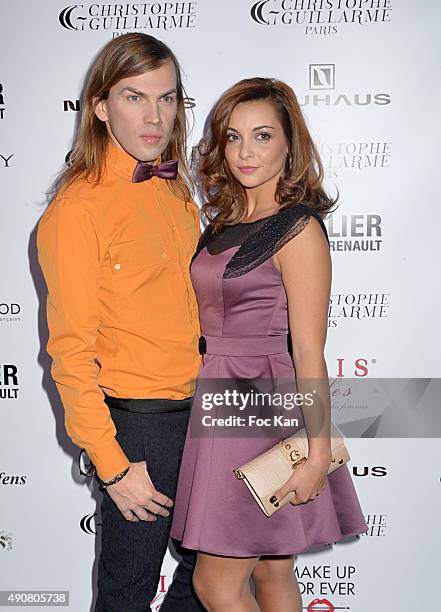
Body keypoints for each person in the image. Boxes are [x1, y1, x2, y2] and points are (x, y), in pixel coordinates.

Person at [170, 77, 368, 612]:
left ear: (289, 144)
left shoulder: (297, 230)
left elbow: (307, 351)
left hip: (260, 410)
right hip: (218, 402)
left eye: (262, 136)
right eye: (233, 138)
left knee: (215, 585)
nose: (245, 152)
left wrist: (317, 454)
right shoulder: (224, 223)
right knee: (273, 579)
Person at [37, 33, 205, 612]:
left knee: (214, 573)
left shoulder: (176, 188)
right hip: (140, 428)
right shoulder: (76, 209)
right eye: (135, 97)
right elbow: (69, 352)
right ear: (101, 107)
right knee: (126, 595)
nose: (154, 116)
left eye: (167, 98)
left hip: (204, 412)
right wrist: (113, 468)